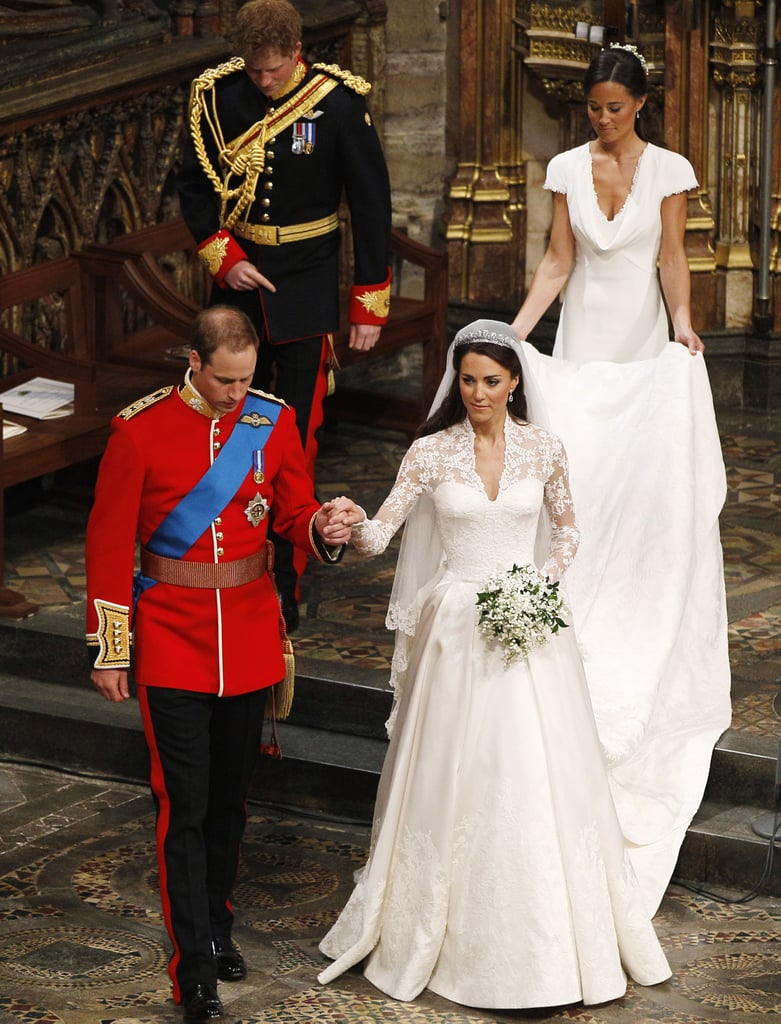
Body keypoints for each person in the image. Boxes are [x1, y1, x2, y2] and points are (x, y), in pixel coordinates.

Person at [317, 320, 672, 1009]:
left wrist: (540, 581)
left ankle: (544, 936)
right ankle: (436, 925)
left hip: (527, 624)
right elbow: (380, 535)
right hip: (454, 630)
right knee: (454, 769)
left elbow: (567, 527)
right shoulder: (427, 453)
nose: (478, 392)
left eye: (491, 380)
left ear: (514, 382)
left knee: (529, 766)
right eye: (468, 380)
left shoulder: (543, 448)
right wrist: (349, 524)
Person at [510, 44, 731, 913]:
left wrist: (682, 326)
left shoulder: (669, 169)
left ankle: (635, 583)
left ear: (637, 103)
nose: (599, 119)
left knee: (634, 480)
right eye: (591, 107)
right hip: (580, 345)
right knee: (577, 475)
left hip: (640, 344)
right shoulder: (566, 165)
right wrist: (514, 331)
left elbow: (670, 258)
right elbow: (559, 261)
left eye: (611, 107)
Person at [85, 306, 351, 1023]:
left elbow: (293, 513)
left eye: (246, 379)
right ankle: (192, 968)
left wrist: (322, 524)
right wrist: (113, 649)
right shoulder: (138, 431)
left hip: (251, 637)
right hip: (170, 641)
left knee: (231, 804)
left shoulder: (272, 420)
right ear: (194, 363)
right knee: (185, 810)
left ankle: (219, 924)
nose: (237, 395)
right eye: (224, 380)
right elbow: (109, 546)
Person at [176, 0, 392, 631]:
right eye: (255, 71)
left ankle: (282, 588)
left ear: (296, 52)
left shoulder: (339, 105)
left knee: (288, 443)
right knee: (223, 431)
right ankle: (225, 568)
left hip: (305, 291)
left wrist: (368, 303)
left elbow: (372, 206)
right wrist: (225, 258)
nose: (263, 82)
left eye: (273, 71)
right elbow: (193, 185)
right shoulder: (218, 97)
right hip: (239, 292)